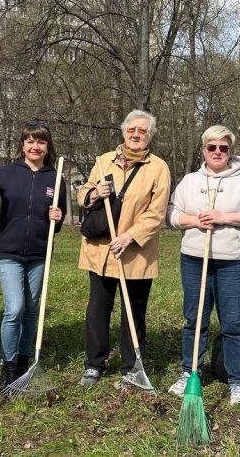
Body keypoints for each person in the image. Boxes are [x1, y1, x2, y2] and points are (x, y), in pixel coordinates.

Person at [166, 125, 240, 405]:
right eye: (212, 147)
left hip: (233, 262)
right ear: (204, 150)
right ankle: (190, 371)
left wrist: (225, 216)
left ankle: (237, 382)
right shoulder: (188, 181)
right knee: (194, 319)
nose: (218, 152)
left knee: (233, 323)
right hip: (195, 260)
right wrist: (195, 221)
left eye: (223, 147)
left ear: (230, 151)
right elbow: (172, 214)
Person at [76, 109, 170, 386]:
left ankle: (132, 366)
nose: (136, 134)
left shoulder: (158, 167)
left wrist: (129, 236)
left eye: (142, 130)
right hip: (101, 251)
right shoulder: (104, 161)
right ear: (124, 132)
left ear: (150, 135)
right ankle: (94, 363)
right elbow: (83, 193)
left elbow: (156, 212)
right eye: (132, 130)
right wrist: (94, 193)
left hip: (135, 252)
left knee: (134, 310)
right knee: (97, 308)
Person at [0, 122, 67, 391]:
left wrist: (57, 217)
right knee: (14, 308)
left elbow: (59, 221)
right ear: (22, 146)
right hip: (9, 251)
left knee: (31, 310)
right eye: (29, 141)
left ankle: (22, 361)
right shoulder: (6, 174)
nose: (34, 146)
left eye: (40, 142)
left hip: (39, 252)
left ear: (47, 147)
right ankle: (7, 365)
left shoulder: (56, 177)